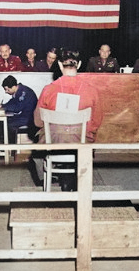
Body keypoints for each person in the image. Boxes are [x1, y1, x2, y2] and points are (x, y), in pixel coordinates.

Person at [32, 49, 103, 190]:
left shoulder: (48, 89)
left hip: (54, 143)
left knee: (36, 149)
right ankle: (76, 178)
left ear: (59, 64)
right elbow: (96, 122)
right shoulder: (92, 90)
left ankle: (47, 179)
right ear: (80, 64)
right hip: (81, 143)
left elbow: (37, 122)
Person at [0, 76, 38, 145]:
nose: (6, 92)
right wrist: (2, 106)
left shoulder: (23, 92)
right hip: (24, 116)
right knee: (1, 120)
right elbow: (12, 102)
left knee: (10, 124)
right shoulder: (19, 91)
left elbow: (17, 107)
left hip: (30, 118)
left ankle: (8, 147)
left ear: (13, 87)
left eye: (7, 90)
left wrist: (4, 107)